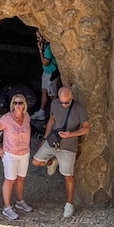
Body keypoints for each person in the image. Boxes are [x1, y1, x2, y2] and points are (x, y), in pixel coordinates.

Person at [31, 86, 91, 219]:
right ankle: (52, 162)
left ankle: (69, 204)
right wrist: (45, 138)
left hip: (68, 146)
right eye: (62, 102)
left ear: (71, 97)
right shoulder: (54, 104)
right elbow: (51, 120)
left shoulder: (79, 108)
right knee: (36, 161)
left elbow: (86, 129)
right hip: (53, 141)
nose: (64, 104)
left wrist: (71, 134)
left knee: (68, 176)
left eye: (67, 102)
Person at [0, 94, 34, 220]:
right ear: (12, 105)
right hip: (10, 154)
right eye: (15, 103)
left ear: (24, 104)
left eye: (20, 102)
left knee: (21, 178)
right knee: (10, 180)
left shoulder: (27, 116)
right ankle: (7, 208)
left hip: (24, 153)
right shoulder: (6, 119)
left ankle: (20, 201)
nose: (18, 105)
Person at [34, 31, 60, 120]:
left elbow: (45, 63)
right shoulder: (45, 46)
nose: (38, 40)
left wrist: (40, 50)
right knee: (44, 92)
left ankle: (54, 117)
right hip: (46, 72)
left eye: (39, 38)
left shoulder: (48, 48)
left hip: (51, 74)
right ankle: (41, 112)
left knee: (53, 96)